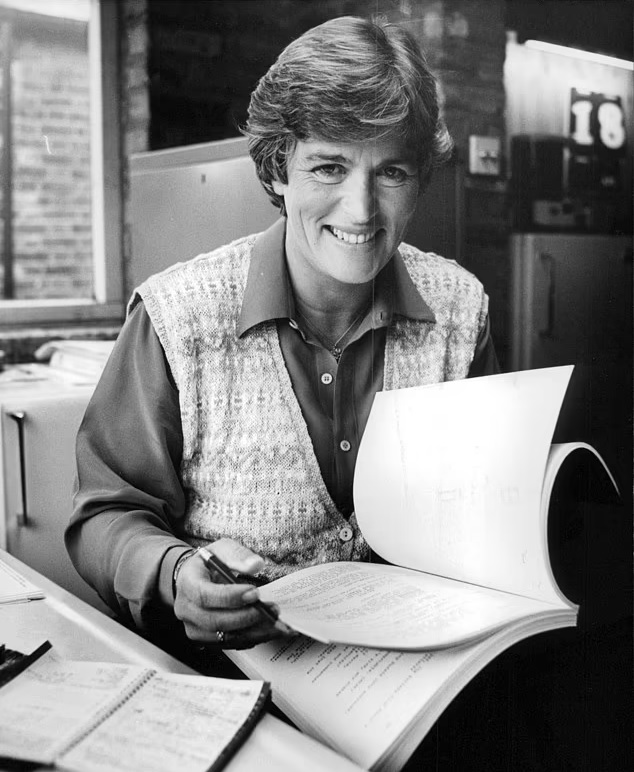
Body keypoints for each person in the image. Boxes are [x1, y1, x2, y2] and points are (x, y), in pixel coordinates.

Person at [66, 15, 498, 657]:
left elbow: (488, 504)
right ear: (277, 170)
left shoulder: (461, 311)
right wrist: (176, 574)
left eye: (392, 173)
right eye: (329, 167)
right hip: (235, 683)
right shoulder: (177, 318)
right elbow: (105, 515)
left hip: (416, 675)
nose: (361, 210)